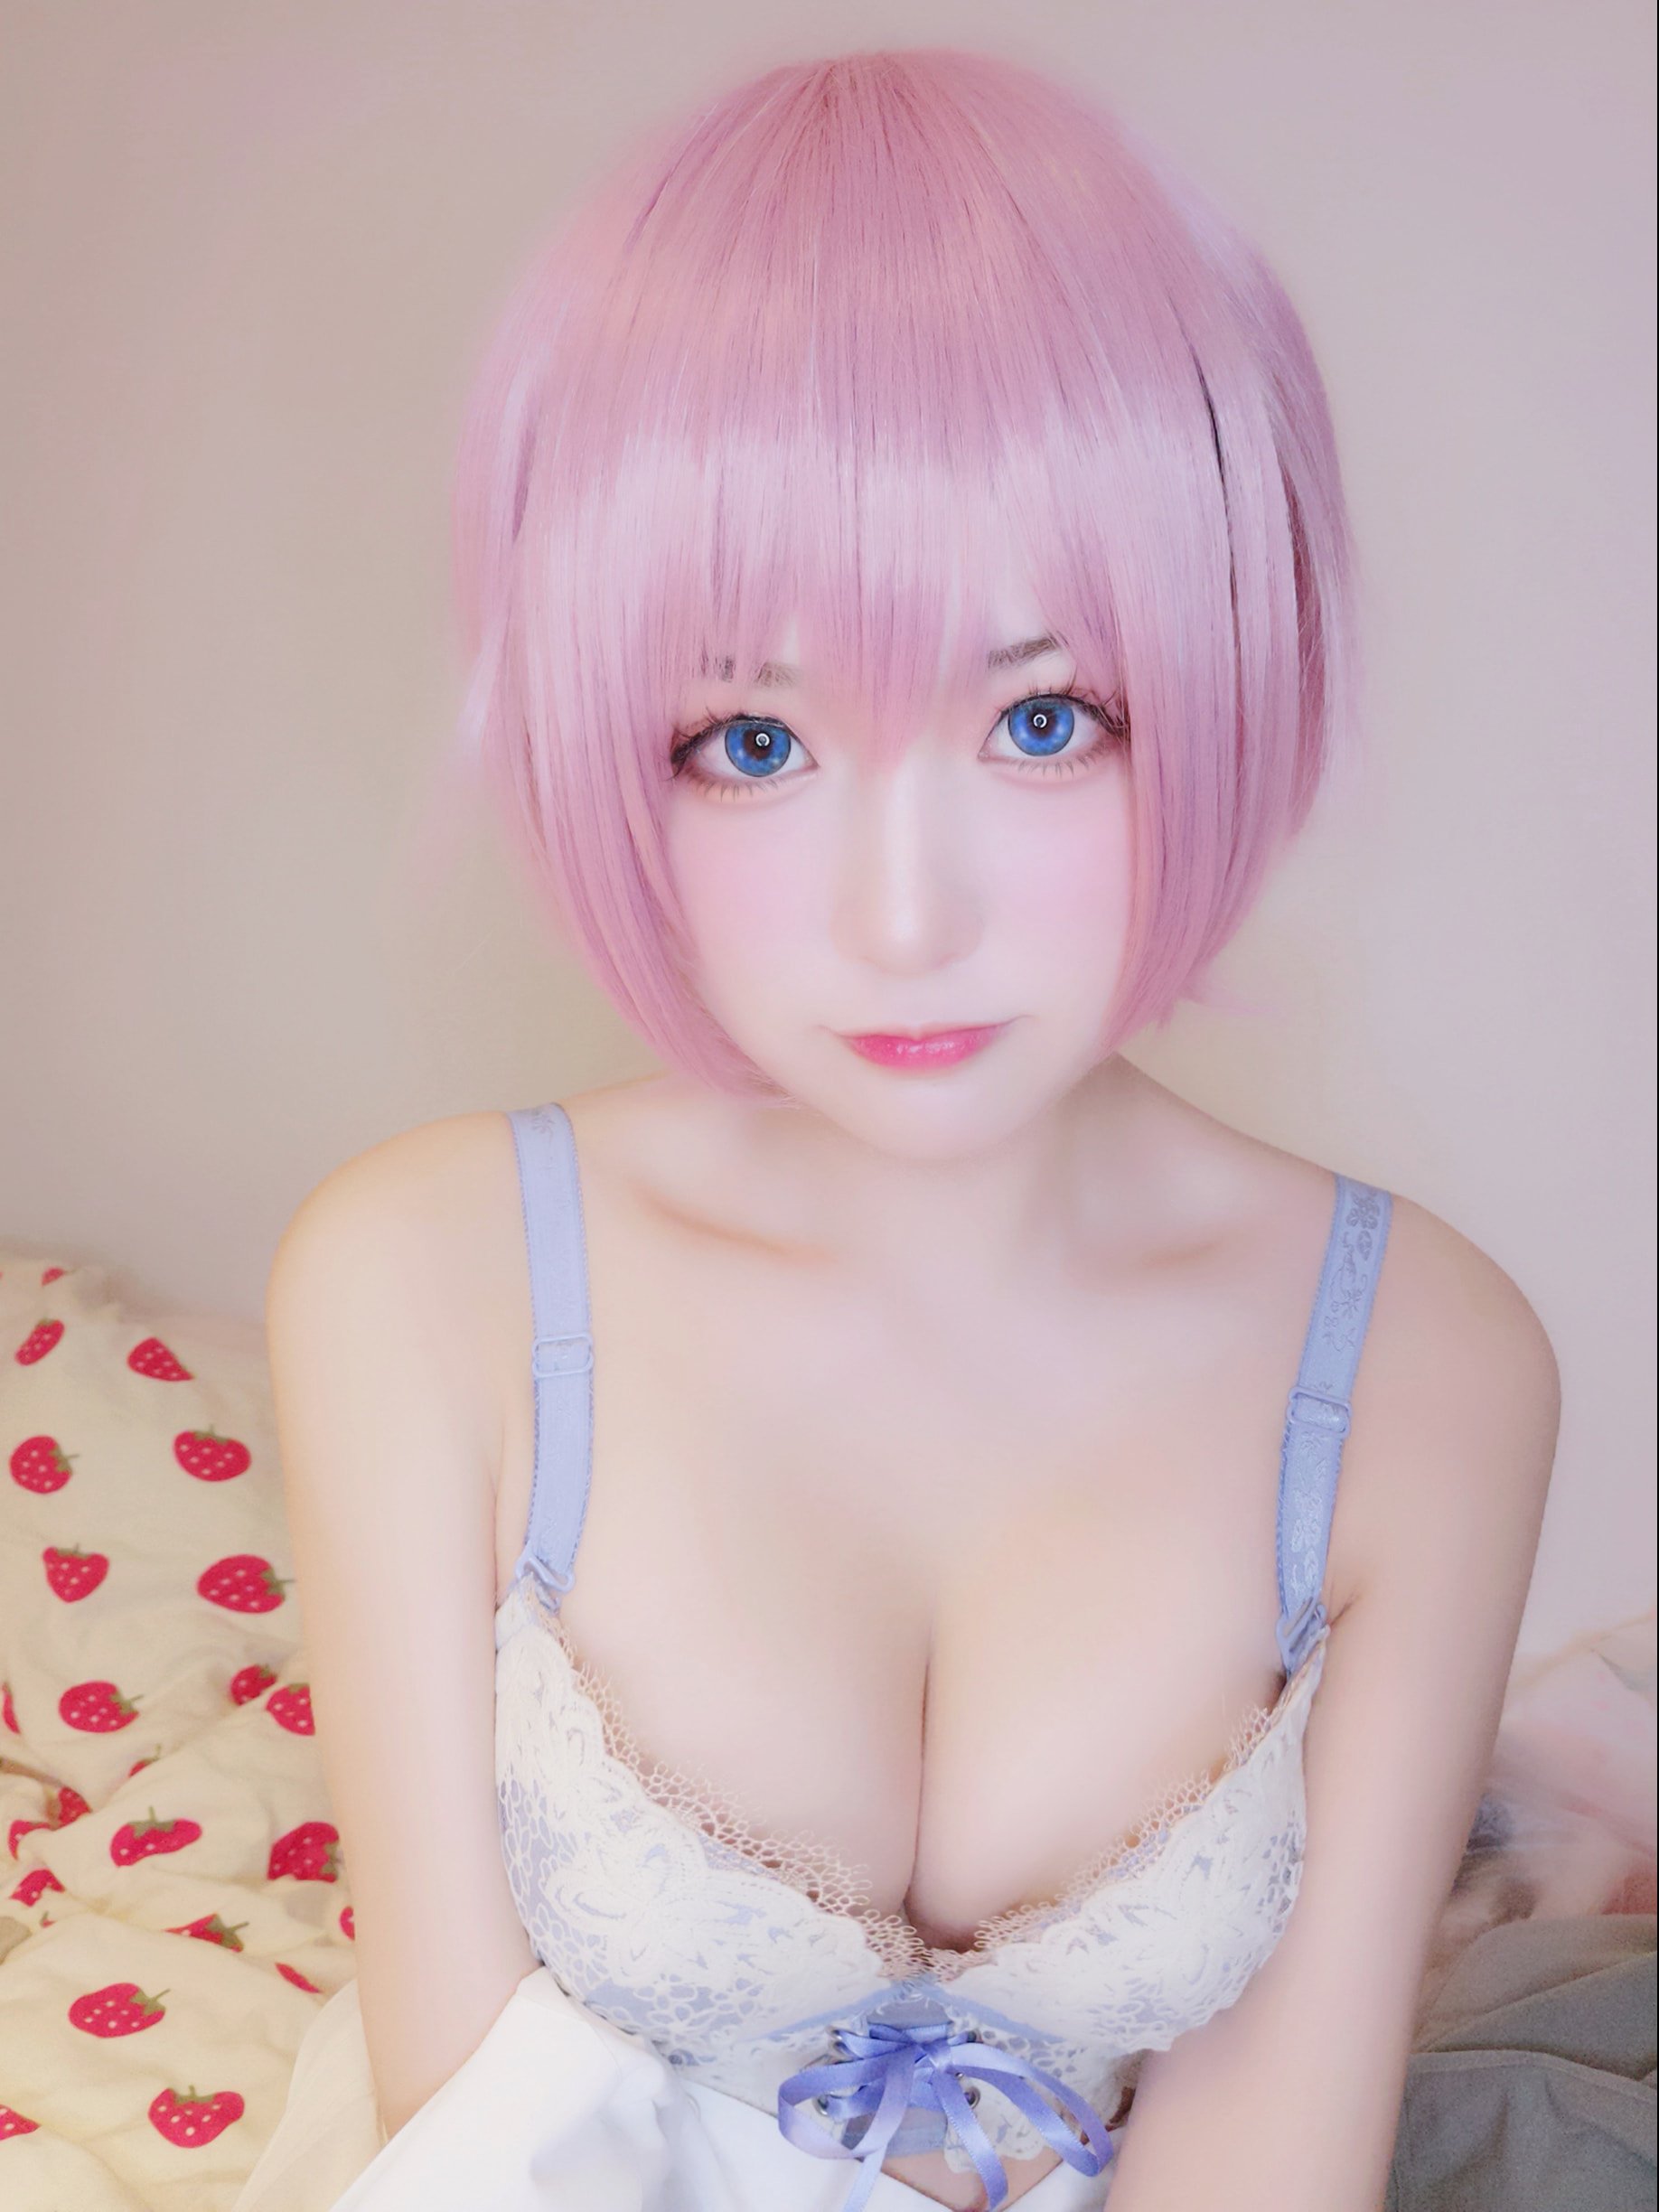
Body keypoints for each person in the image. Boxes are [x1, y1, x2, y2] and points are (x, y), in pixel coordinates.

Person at [240, 45, 1560, 2212]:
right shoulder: (425, 1284)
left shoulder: (1428, 1363)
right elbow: (480, 2144)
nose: (905, 918)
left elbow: (1270, 2156)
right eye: (753, 741)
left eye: (1043, 718)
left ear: (1224, 671)